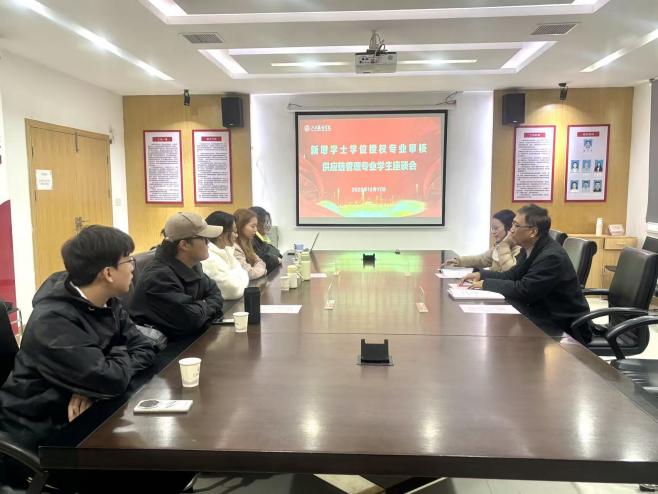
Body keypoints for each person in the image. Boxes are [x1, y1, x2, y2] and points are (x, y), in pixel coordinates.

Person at [0, 226, 192, 492]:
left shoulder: (107, 302)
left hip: (93, 416)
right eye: (128, 260)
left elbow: (145, 347)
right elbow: (110, 379)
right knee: (164, 470)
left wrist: (93, 385)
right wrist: (108, 367)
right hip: (48, 441)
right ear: (108, 273)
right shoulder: (53, 321)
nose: (134, 266)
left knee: (173, 462)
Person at [460, 205, 590, 342]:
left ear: (533, 232)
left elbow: (525, 290)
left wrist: (486, 284)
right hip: (541, 314)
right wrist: (481, 275)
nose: (511, 230)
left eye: (516, 226)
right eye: (512, 225)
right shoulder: (530, 248)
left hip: (563, 326)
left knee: (504, 339)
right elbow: (512, 275)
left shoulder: (551, 257)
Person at [130, 212, 224, 339]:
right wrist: (204, 304)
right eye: (204, 238)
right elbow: (191, 319)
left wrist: (200, 306)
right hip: (167, 347)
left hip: (189, 338)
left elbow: (216, 294)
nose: (208, 243)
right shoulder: (158, 277)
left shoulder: (192, 264)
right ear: (184, 245)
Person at [441, 209, 521, 272]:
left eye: (496, 228)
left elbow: (509, 272)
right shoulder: (498, 246)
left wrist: (505, 244)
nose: (493, 232)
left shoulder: (519, 250)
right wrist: (459, 261)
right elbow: (481, 259)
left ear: (509, 228)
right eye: (492, 228)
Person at [202, 211, 250, 300]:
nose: (236, 235)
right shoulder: (208, 258)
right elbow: (234, 290)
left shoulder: (227, 250)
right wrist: (238, 275)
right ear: (221, 234)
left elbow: (244, 273)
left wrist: (238, 276)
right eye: (234, 231)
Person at [233, 209, 268, 280]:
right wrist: (262, 270)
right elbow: (248, 274)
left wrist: (257, 269)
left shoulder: (247, 244)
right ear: (240, 226)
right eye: (252, 226)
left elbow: (261, 262)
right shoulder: (234, 247)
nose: (256, 230)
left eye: (256, 226)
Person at [249, 206, 282, 273]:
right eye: (265, 222)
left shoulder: (261, 239)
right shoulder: (251, 239)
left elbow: (273, 254)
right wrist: (276, 259)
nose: (268, 225)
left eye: (269, 222)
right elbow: (262, 257)